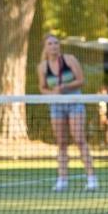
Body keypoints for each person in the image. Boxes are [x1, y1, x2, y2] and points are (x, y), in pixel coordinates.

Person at [37, 34, 97, 191]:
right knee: (61, 143)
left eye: (56, 43)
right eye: (50, 43)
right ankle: (62, 180)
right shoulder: (42, 67)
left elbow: (81, 80)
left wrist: (65, 87)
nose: (54, 46)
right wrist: (53, 94)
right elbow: (42, 88)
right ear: (45, 47)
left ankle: (91, 178)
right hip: (56, 106)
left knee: (79, 139)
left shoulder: (69, 60)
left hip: (74, 102)